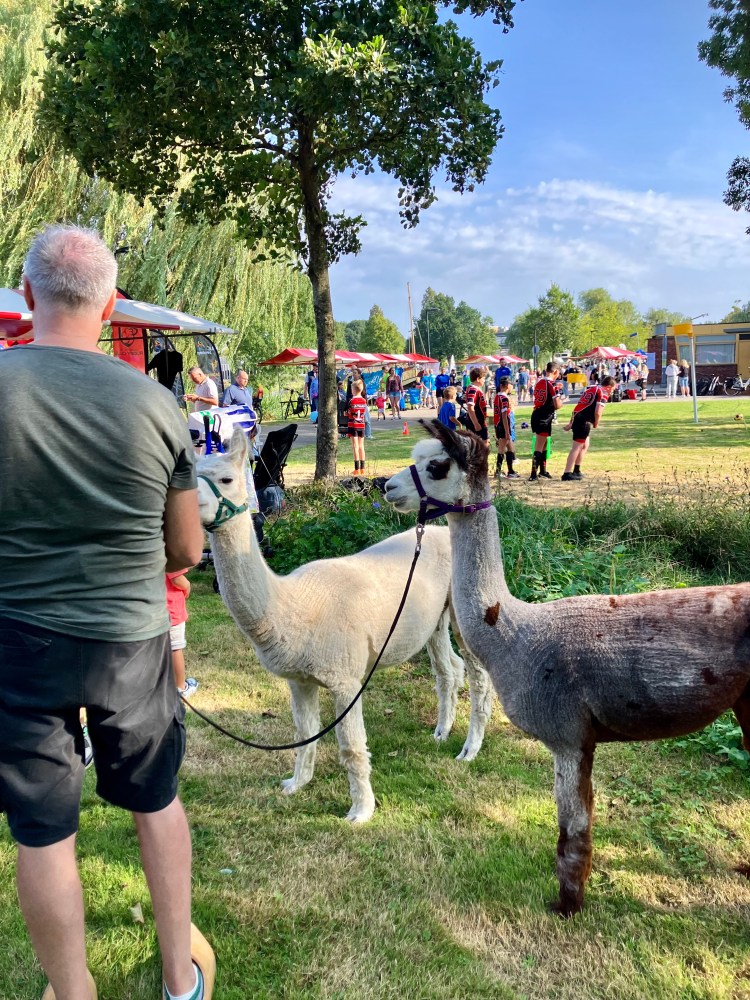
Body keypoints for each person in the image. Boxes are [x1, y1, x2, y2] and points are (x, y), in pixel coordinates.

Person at [0, 225, 214, 1000]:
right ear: (111, 303)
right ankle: (178, 977)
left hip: (17, 639)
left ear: (28, 296)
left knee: (43, 827)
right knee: (156, 797)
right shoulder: (156, 403)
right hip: (130, 637)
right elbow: (186, 550)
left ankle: (73, 991)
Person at [561, 375, 616, 481]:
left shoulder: (592, 389)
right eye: (613, 389)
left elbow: (579, 407)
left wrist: (571, 422)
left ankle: (576, 470)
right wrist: (596, 423)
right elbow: (598, 412)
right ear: (608, 386)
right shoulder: (603, 393)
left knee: (585, 445)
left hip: (578, 417)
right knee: (577, 447)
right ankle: (567, 473)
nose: (612, 392)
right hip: (584, 420)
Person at [167, 570, 198, 698]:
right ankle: (180, 687)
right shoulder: (167, 550)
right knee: (175, 648)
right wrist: (187, 585)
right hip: (170, 610)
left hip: (150, 608)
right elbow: (176, 578)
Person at [529, 361, 563, 481]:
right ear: (555, 372)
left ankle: (543, 471)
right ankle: (533, 474)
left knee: (544, 444)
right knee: (539, 445)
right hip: (543, 416)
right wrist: (561, 399)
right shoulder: (551, 384)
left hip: (539, 413)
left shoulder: (540, 381)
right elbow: (557, 405)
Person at [493, 376, 519, 478]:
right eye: (511, 385)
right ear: (507, 386)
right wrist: (507, 431)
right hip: (503, 426)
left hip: (499, 425)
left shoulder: (497, 396)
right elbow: (504, 416)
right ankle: (498, 471)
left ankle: (511, 471)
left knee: (510, 447)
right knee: (502, 448)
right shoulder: (503, 398)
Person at [464, 366, 489, 446]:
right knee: (482, 443)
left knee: (484, 441)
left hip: (480, 420)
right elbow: (470, 407)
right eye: (483, 378)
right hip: (475, 421)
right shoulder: (473, 390)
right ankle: (480, 458)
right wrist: (476, 423)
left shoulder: (475, 388)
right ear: (478, 379)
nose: (484, 380)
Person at [347, 381, 368, 475]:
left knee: (355, 446)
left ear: (353, 390)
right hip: (362, 425)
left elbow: (348, 412)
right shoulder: (364, 401)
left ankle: (357, 468)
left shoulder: (351, 401)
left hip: (353, 425)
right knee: (361, 446)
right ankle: (363, 468)